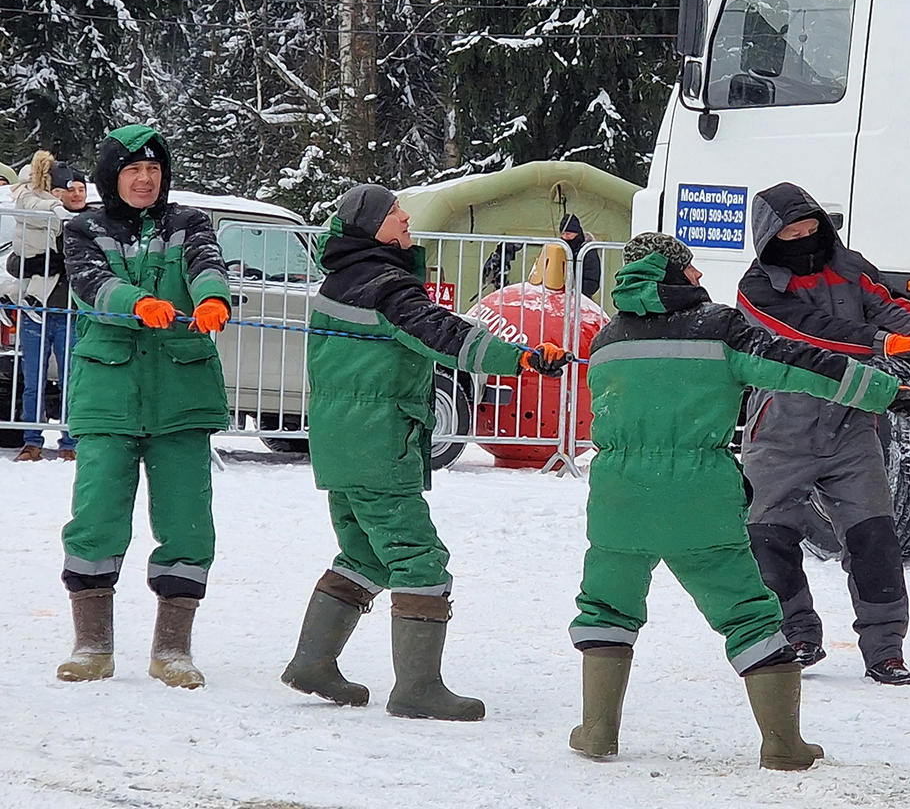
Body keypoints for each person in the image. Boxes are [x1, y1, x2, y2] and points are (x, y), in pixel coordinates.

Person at [568, 232, 910, 770]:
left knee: (606, 608)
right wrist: (884, 391)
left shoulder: (608, 338)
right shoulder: (719, 327)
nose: (700, 278)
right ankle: (783, 743)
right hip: (697, 496)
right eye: (691, 270)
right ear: (675, 273)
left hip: (619, 499)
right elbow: (800, 364)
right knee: (749, 617)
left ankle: (596, 732)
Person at [282, 184, 570, 721]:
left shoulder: (344, 278)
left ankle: (312, 663)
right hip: (378, 442)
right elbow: (443, 334)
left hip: (344, 441)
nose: (406, 216)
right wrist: (524, 358)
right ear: (372, 227)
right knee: (419, 560)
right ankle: (418, 688)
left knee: (366, 555)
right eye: (395, 211)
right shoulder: (385, 284)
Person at [737, 182, 910, 687]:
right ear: (769, 237)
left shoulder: (849, 266)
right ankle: (795, 632)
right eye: (790, 231)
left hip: (853, 427)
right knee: (769, 538)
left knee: (874, 538)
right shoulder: (757, 290)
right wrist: (884, 343)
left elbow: (886, 306)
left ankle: (885, 650)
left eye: (809, 227)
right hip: (780, 430)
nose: (802, 238)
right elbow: (811, 333)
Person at [56, 124, 233, 689]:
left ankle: (172, 650)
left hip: (182, 395)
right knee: (97, 515)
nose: (144, 178)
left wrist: (211, 298)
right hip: (108, 394)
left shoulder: (189, 223)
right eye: (133, 169)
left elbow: (208, 263)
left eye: (154, 169)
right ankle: (92, 645)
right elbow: (91, 284)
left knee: (187, 521)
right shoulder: (84, 227)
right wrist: (139, 303)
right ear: (113, 175)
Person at [9, 152, 87, 460]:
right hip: (36, 310)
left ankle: (70, 441)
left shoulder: (90, 222)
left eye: (80, 188)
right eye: (69, 189)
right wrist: (41, 263)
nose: (75, 194)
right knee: (33, 381)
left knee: (73, 380)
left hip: (72, 313)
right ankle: (32, 440)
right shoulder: (43, 219)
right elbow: (17, 261)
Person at [559, 212, 601, 298]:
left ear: (577, 233)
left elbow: (592, 282)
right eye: (563, 234)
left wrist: (574, 292)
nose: (565, 237)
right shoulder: (560, 248)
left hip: (580, 299)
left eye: (568, 234)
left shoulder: (588, 251)